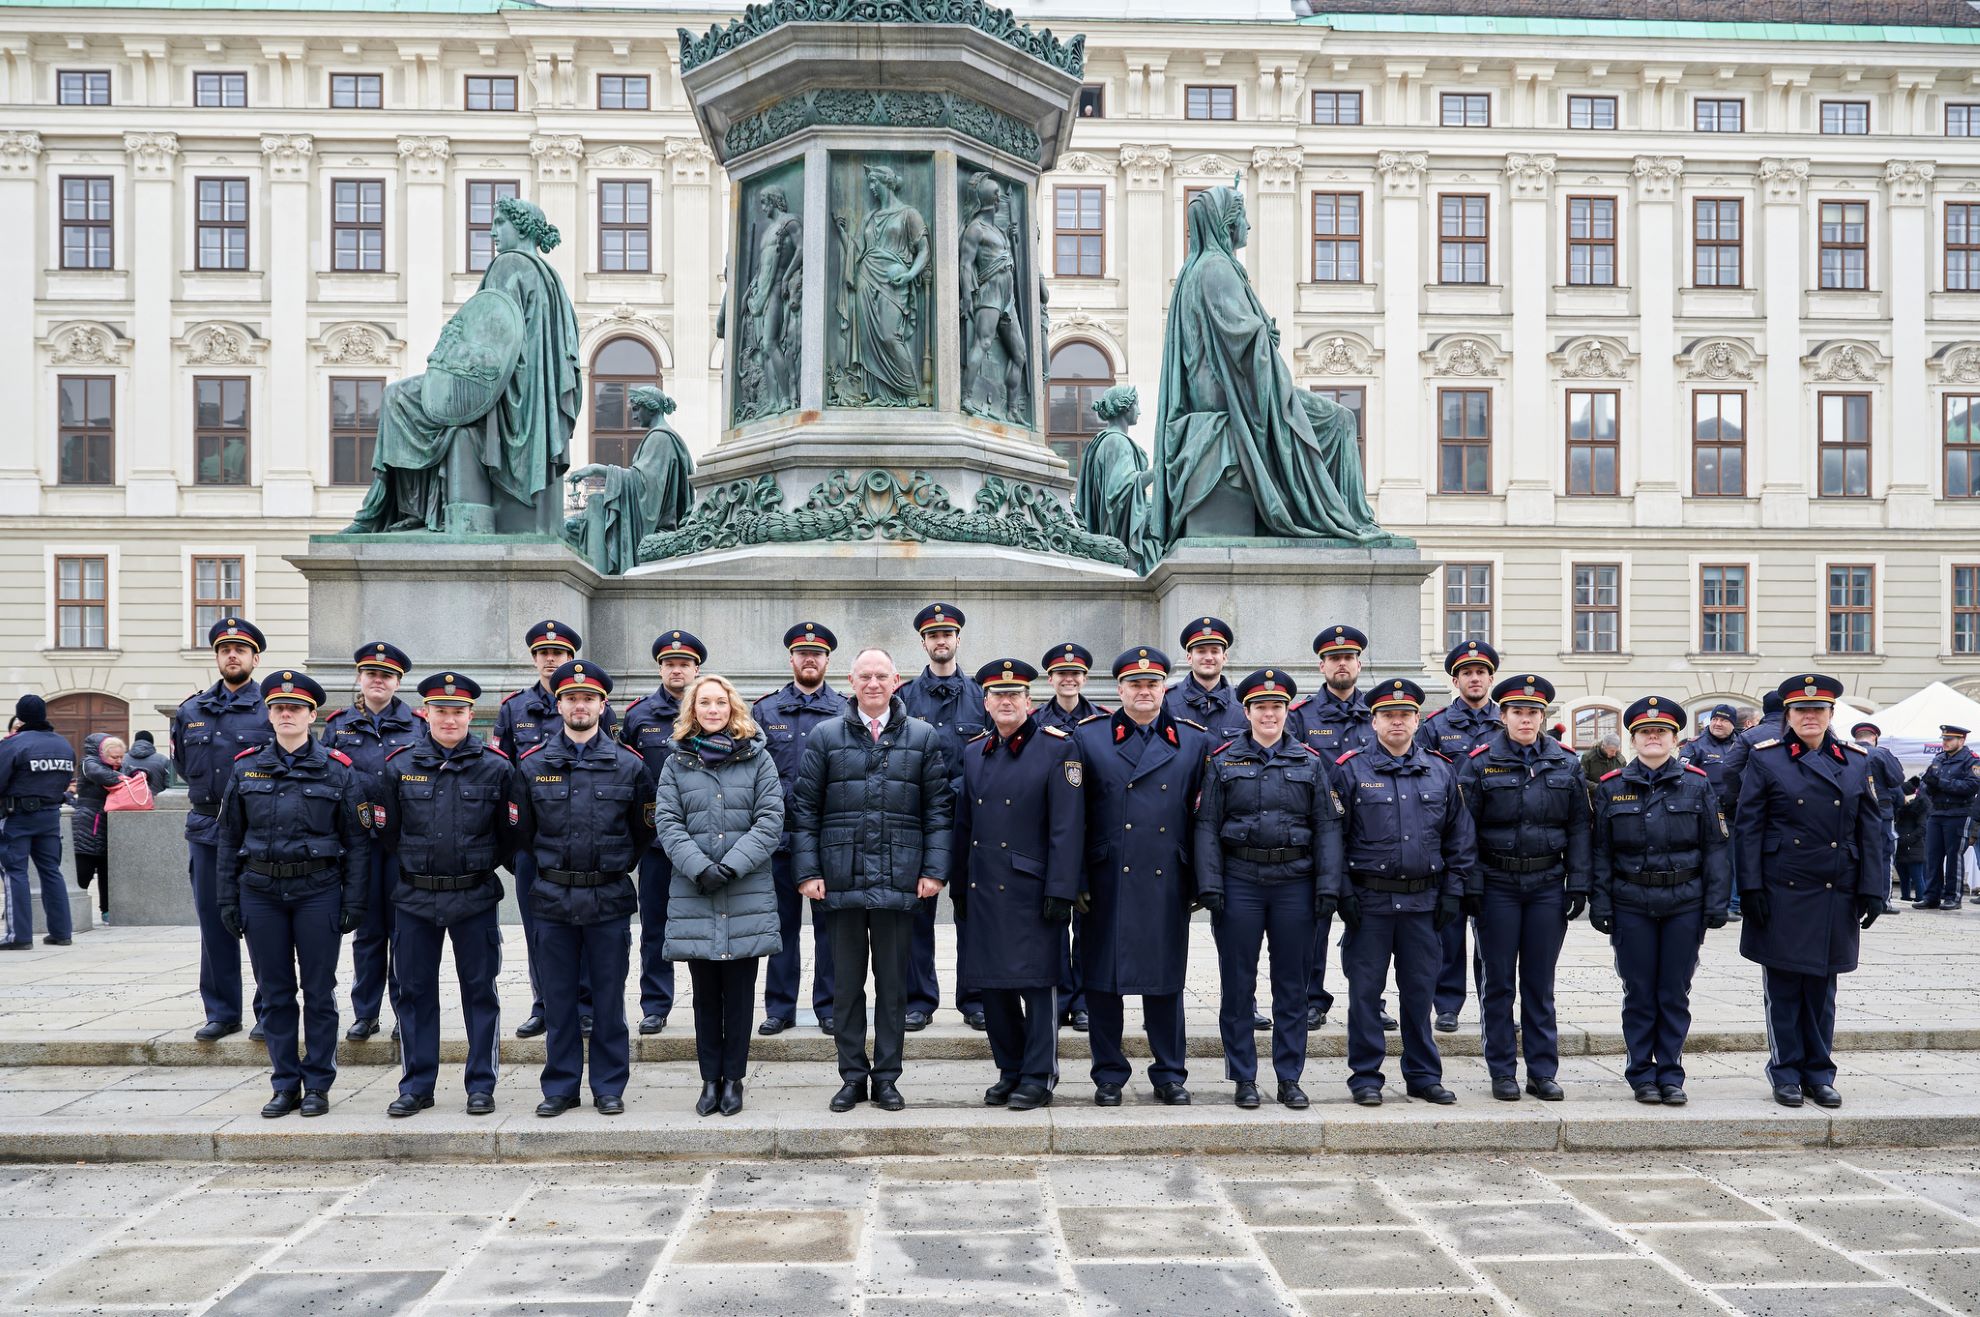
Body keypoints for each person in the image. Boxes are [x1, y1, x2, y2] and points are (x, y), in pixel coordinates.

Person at [792, 647, 954, 1114]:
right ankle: (851, 1076)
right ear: (852, 680)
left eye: (881, 676)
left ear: (896, 679)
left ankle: (886, 1077)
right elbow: (805, 810)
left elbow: (938, 811)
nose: (873, 684)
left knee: (893, 987)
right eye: (865, 676)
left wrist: (933, 871)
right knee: (845, 987)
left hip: (900, 880)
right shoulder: (825, 736)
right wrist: (807, 872)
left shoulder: (921, 737)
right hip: (840, 880)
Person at [215, 671, 368, 1118]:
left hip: (317, 890)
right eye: (279, 707)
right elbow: (228, 839)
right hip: (260, 891)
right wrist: (227, 899)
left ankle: (318, 1083)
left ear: (311, 715)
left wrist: (354, 900)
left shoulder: (337, 769)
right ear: (269, 713)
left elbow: (357, 842)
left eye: (295, 708)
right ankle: (285, 1083)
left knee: (319, 991)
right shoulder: (246, 767)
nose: (286, 714)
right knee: (275, 993)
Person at [1194, 668, 1344, 1110]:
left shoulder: (1310, 762)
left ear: (1286, 712)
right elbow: (1206, 827)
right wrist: (1210, 884)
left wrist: (1327, 886)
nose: (1269, 714)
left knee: (1292, 986)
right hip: (1241, 881)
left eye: (1276, 707)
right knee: (1237, 985)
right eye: (1261, 707)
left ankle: (1289, 1077)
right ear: (1247, 712)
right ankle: (1243, 1076)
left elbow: (1327, 828)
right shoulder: (1223, 761)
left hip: (1294, 884)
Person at [511, 659, 654, 1117]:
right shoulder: (532, 767)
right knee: (558, 999)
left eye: (588, 698)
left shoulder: (629, 767)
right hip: (552, 898)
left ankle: (609, 1085)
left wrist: (609, 868)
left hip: (607, 897)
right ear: (559, 705)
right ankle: (561, 1086)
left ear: (602, 705)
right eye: (571, 698)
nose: (579, 705)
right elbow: (519, 835)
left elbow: (642, 831)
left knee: (609, 999)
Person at [1737, 674, 1885, 1109]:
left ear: (1831, 715)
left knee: (1822, 989)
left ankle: (1819, 1073)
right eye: (1801, 710)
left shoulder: (1856, 760)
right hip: (1783, 887)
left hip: (1834, 887)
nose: (1809, 717)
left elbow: (1870, 827)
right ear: (1788, 715)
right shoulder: (1767, 759)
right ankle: (1785, 1072)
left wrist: (1873, 887)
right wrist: (1749, 887)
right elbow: (1748, 827)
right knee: (1783, 987)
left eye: (1818, 710)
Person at [374, 672, 516, 1117]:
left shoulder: (497, 767)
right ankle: (417, 1084)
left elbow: (511, 833)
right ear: (426, 714)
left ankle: (481, 1084)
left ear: (472, 715)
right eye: (441, 711)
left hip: (474, 895)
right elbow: (386, 834)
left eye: (458, 712)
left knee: (480, 991)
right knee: (414, 993)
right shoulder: (399, 766)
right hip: (415, 898)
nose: (449, 719)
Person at [1335, 678, 1477, 1107]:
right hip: (1371, 903)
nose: (1397, 722)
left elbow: (1459, 838)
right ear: (1374, 721)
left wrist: (1454, 892)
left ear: (1417, 720)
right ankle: (1365, 1077)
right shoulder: (1350, 769)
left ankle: (1422, 1075)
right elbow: (1333, 839)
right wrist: (1343, 894)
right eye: (1388, 716)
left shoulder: (1440, 769)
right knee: (1364, 995)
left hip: (1423, 903)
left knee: (1419, 994)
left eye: (1405, 715)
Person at [1073, 647, 1206, 1106]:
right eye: (1134, 684)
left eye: (1152, 684)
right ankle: (1109, 1074)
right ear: (1120, 690)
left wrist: (1199, 879)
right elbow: (1073, 818)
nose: (1144, 691)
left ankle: (1169, 1073)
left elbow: (1202, 819)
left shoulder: (1192, 741)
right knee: (1102, 982)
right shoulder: (1088, 739)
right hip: (1106, 877)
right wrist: (1075, 879)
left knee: (1165, 981)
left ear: (1164, 687)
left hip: (1166, 877)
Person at [951, 660, 1085, 1111]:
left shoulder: (1057, 749)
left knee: (1037, 985)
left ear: (1030, 701)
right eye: (997, 696)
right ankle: (1009, 1068)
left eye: (1014, 695)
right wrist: (959, 886)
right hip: (984, 887)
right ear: (986, 703)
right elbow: (963, 823)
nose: (1005, 702)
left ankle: (1039, 1074)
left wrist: (1061, 890)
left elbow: (1067, 828)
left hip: (1033, 890)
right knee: (993, 987)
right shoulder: (974, 751)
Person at [1588, 696, 1732, 1106]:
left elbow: (1715, 847)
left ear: (1674, 739)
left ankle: (1670, 1072)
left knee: (1673, 991)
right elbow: (1601, 851)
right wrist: (1600, 904)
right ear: (1634, 740)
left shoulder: (1697, 783)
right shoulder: (1613, 788)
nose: (1654, 737)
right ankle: (1641, 1073)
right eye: (1646, 732)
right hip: (1631, 901)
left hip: (1684, 903)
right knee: (1638, 991)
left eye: (1662, 732)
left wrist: (1716, 903)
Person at [654, 673, 785, 1118]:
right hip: (696, 892)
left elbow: (770, 820)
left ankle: (734, 1079)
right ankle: (709, 1078)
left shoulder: (757, 760)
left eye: (720, 703)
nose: (713, 710)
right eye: (704, 703)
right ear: (693, 709)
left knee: (741, 994)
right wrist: (699, 867)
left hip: (745, 890)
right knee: (706, 995)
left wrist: (730, 865)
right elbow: (667, 822)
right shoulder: (676, 763)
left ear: (733, 709)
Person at [1456, 674, 1591, 1102]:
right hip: (1497, 884)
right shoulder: (1478, 763)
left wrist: (1579, 882)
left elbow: (1579, 828)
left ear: (1543, 717)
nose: (1526, 719)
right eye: (1518, 712)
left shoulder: (1566, 763)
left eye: (1534, 713)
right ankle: (1501, 1070)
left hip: (1547, 884)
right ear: (1503, 716)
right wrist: (1471, 883)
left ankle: (1541, 1070)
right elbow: (1464, 830)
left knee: (1539, 982)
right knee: (1497, 982)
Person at [494, 620, 615, 1038]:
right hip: (535, 845)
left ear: (570, 658)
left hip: (585, 843)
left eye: (559, 653)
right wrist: (513, 848)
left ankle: (583, 1004)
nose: (551, 659)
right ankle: (543, 1003)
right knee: (538, 931)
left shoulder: (596, 705)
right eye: (543, 653)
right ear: (534, 658)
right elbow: (502, 777)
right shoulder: (514, 708)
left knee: (582, 929)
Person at [172, 617, 272, 1040]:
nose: (232, 655)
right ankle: (222, 1010)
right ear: (216, 656)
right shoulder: (191, 710)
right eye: (224, 649)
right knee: (214, 924)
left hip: (256, 829)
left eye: (241, 649)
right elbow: (181, 764)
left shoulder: (271, 706)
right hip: (208, 826)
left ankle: (270, 1010)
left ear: (255, 657)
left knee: (264, 925)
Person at [319, 641, 424, 1044]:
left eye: (387, 676)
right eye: (371, 674)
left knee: (405, 933)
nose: (378, 681)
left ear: (398, 682)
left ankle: (405, 1012)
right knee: (367, 932)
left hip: (402, 843)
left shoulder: (417, 724)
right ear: (360, 679)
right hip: (359, 844)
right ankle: (366, 1012)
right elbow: (327, 778)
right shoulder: (339, 724)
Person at [753, 622, 846, 1038]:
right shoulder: (764, 711)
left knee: (831, 931)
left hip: (829, 840)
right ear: (791, 659)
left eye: (818, 653)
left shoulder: (847, 710)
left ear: (827, 660)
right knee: (779, 928)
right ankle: (780, 1006)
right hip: (779, 839)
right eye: (802, 652)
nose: (810, 659)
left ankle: (828, 1006)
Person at [1287, 624, 1381, 1032]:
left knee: (1372, 926)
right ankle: (1312, 999)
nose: (1342, 664)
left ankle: (1370, 1000)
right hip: (1319, 837)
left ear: (1359, 663)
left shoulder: (1380, 715)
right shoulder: (1300, 717)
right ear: (1322, 666)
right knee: (1316, 923)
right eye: (1334, 659)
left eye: (1349, 658)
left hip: (1371, 836)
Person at [897, 603, 986, 1030]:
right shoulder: (904, 698)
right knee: (917, 911)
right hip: (919, 822)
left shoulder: (982, 696)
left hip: (970, 823)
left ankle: (975, 999)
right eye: (933, 636)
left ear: (957, 639)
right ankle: (918, 1000)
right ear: (924, 642)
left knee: (973, 912)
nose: (940, 641)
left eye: (947, 634)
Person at [619, 630, 708, 1035]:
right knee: (655, 927)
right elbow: (629, 780)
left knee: (708, 926)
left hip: (706, 843)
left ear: (696, 669)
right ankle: (656, 1004)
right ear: (660, 668)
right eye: (670, 664)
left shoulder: (713, 709)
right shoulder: (639, 716)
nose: (677, 669)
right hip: (657, 845)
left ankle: (711, 1004)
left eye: (684, 664)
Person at [1417, 640, 1500, 1035]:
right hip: (1448, 841)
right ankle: (1447, 1003)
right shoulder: (1434, 727)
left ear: (1490, 678)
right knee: (1448, 928)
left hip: (1493, 843)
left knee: (1492, 934)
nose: (1474, 678)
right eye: (1467, 673)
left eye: (1480, 672)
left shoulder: (1507, 723)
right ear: (1455, 680)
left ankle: (1494, 1004)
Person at [1037, 641, 1103, 1031]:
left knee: (1089, 925)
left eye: (1075, 673)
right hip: (1049, 836)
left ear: (1084, 678)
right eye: (1062, 673)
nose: (1069, 679)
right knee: (1053, 924)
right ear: (1051, 679)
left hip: (1092, 835)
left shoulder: (1103, 721)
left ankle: (1083, 1001)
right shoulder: (1033, 720)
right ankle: (1059, 997)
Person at [0, 695, 78, 950]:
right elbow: (66, 779)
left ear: (20, 717)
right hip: (50, 816)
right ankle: (61, 932)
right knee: (51, 872)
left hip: (17, 816)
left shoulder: (13, 744)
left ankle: (18, 936)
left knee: (15, 873)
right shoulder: (63, 745)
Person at [1683, 703, 1746, 920]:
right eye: (1715, 719)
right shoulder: (1695, 746)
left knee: (1734, 858)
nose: (1718, 723)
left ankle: (1733, 904)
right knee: (1708, 859)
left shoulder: (1742, 743)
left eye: (1724, 720)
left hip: (1736, 812)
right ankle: (1706, 902)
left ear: (1733, 723)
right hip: (1704, 813)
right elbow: (1681, 778)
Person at [1917, 724, 1980, 911]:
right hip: (1937, 812)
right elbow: (1927, 784)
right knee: (1933, 856)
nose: (1945, 742)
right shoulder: (1939, 758)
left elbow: (1971, 786)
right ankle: (1931, 896)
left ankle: (1952, 897)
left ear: (1961, 740)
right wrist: (1930, 785)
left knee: (1954, 856)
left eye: (1949, 739)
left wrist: (1941, 783)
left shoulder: (1972, 760)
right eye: (1944, 739)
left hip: (1958, 813)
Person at [1851, 720, 1906, 916]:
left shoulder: (1847, 752)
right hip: (1880, 812)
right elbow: (1897, 779)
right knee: (1884, 856)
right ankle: (1883, 900)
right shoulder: (1881, 753)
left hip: (1853, 812)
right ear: (1874, 737)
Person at [71, 733, 127, 923]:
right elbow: (101, 775)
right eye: (114, 757)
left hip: (106, 822)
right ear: (103, 754)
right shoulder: (89, 763)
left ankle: (107, 911)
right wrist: (125, 777)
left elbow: (137, 771)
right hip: (89, 823)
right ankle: (71, 908)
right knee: (84, 869)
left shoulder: (115, 766)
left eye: (121, 757)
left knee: (106, 870)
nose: (119, 760)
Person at [1164, 617, 1247, 743]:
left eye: (1214, 651)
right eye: (1201, 651)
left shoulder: (1242, 703)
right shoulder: (1168, 701)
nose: (1208, 657)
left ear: (1224, 657)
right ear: (1189, 658)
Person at [1896, 778, 1929, 902]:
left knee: (1917, 877)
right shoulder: (1900, 808)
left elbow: (1922, 828)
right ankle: (1905, 897)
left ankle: (1921, 899)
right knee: (1903, 877)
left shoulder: (1919, 808)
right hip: (1902, 845)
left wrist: (1908, 839)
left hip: (1913, 846)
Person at [123, 730, 171, 795]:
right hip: (155, 801)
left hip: (127, 801)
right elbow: (169, 784)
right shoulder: (162, 759)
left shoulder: (122, 759)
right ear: (152, 742)